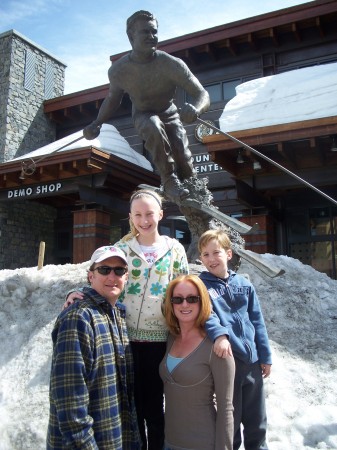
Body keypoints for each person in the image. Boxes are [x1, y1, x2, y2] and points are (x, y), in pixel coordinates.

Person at [64, 189, 189, 450]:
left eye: (150, 214)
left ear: (161, 215)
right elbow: (103, 279)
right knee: (129, 407)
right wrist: (78, 292)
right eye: (138, 215)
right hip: (122, 338)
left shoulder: (174, 249)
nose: (144, 220)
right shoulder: (121, 249)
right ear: (130, 217)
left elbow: (185, 289)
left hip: (160, 341)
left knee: (155, 406)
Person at [83, 10, 210, 204]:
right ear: (131, 36)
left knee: (184, 161)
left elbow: (202, 94)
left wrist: (196, 109)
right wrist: (97, 123)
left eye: (154, 32)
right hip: (143, 114)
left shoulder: (171, 64)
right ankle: (168, 181)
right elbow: (112, 100)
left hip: (170, 113)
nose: (152, 37)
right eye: (145, 32)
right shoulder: (119, 71)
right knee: (153, 127)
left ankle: (196, 193)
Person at [47, 245, 141, 449]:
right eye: (104, 269)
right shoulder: (78, 318)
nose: (112, 276)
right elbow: (70, 400)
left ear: (126, 277)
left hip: (113, 437)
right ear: (91, 276)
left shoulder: (117, 314)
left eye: (119, 270)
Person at [198, 229, 272, 450]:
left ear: (228, 254)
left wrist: (265, 356)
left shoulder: (244, 284)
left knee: (256, 420)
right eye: (205, 254)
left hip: (252, 363)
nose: (211, 259)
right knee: (231, 419)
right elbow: (207, 317)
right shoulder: (202, 286)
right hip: (227, 363)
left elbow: (257, 321)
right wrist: (221, 335)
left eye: (216, 252)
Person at [159, 274, 235, 450]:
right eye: (178, 299)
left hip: (202, 443)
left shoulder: (218, 348)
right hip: (169, 442)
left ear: (202, 302)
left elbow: (226, 408)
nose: (184, 304)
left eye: (192, 299)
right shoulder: (170, 338)